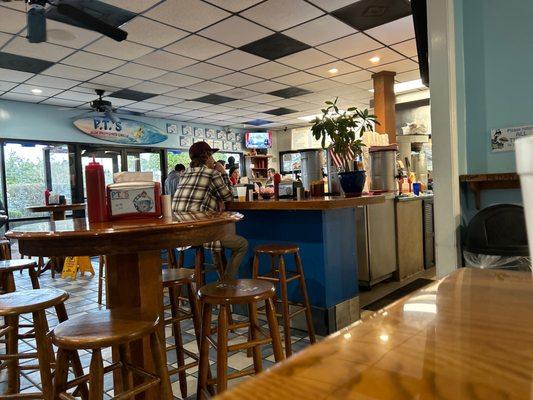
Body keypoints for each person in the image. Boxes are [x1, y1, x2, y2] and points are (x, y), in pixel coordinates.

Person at [172, 142, 248, 280]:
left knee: (215, 233)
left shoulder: (184, 174)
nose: (213, 159)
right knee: (242, 244)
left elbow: (204, 195)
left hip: (182, 234)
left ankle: (221, 280)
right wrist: (223, 172)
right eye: (212, 156)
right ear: (207, 157)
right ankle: (227, 284)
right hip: (201, 231)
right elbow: (228, 196)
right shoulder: (211, 173)